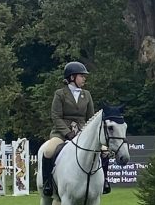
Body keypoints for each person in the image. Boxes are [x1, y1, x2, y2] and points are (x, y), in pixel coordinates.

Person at [40, 61, 111, 196]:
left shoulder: (87, 94)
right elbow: (56, 117)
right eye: (81, 76)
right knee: (48, 151)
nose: (84, 78)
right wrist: (67, 133)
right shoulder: (60, 94)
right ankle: (48, 183)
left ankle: (105, 181)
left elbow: (91, 117)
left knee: (105, 151)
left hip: (83, 132)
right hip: (61, 132)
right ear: (72, 77)